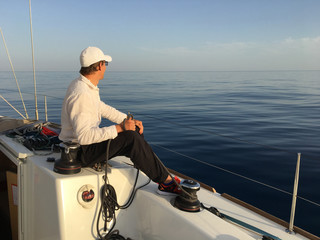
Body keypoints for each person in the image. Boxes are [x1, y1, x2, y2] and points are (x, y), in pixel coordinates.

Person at [59, 46, 180, 195]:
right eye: (105, 64)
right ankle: (166, 183)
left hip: (82, 148)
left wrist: (128, 121)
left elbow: (102, 108)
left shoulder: (83, 85)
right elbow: (84, 137)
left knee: (132, 131)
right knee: (131, 138)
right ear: (99, 66)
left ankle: (152, 168)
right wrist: (120, 128)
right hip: (79, 152)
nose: (105, 68)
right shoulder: (82, 93)